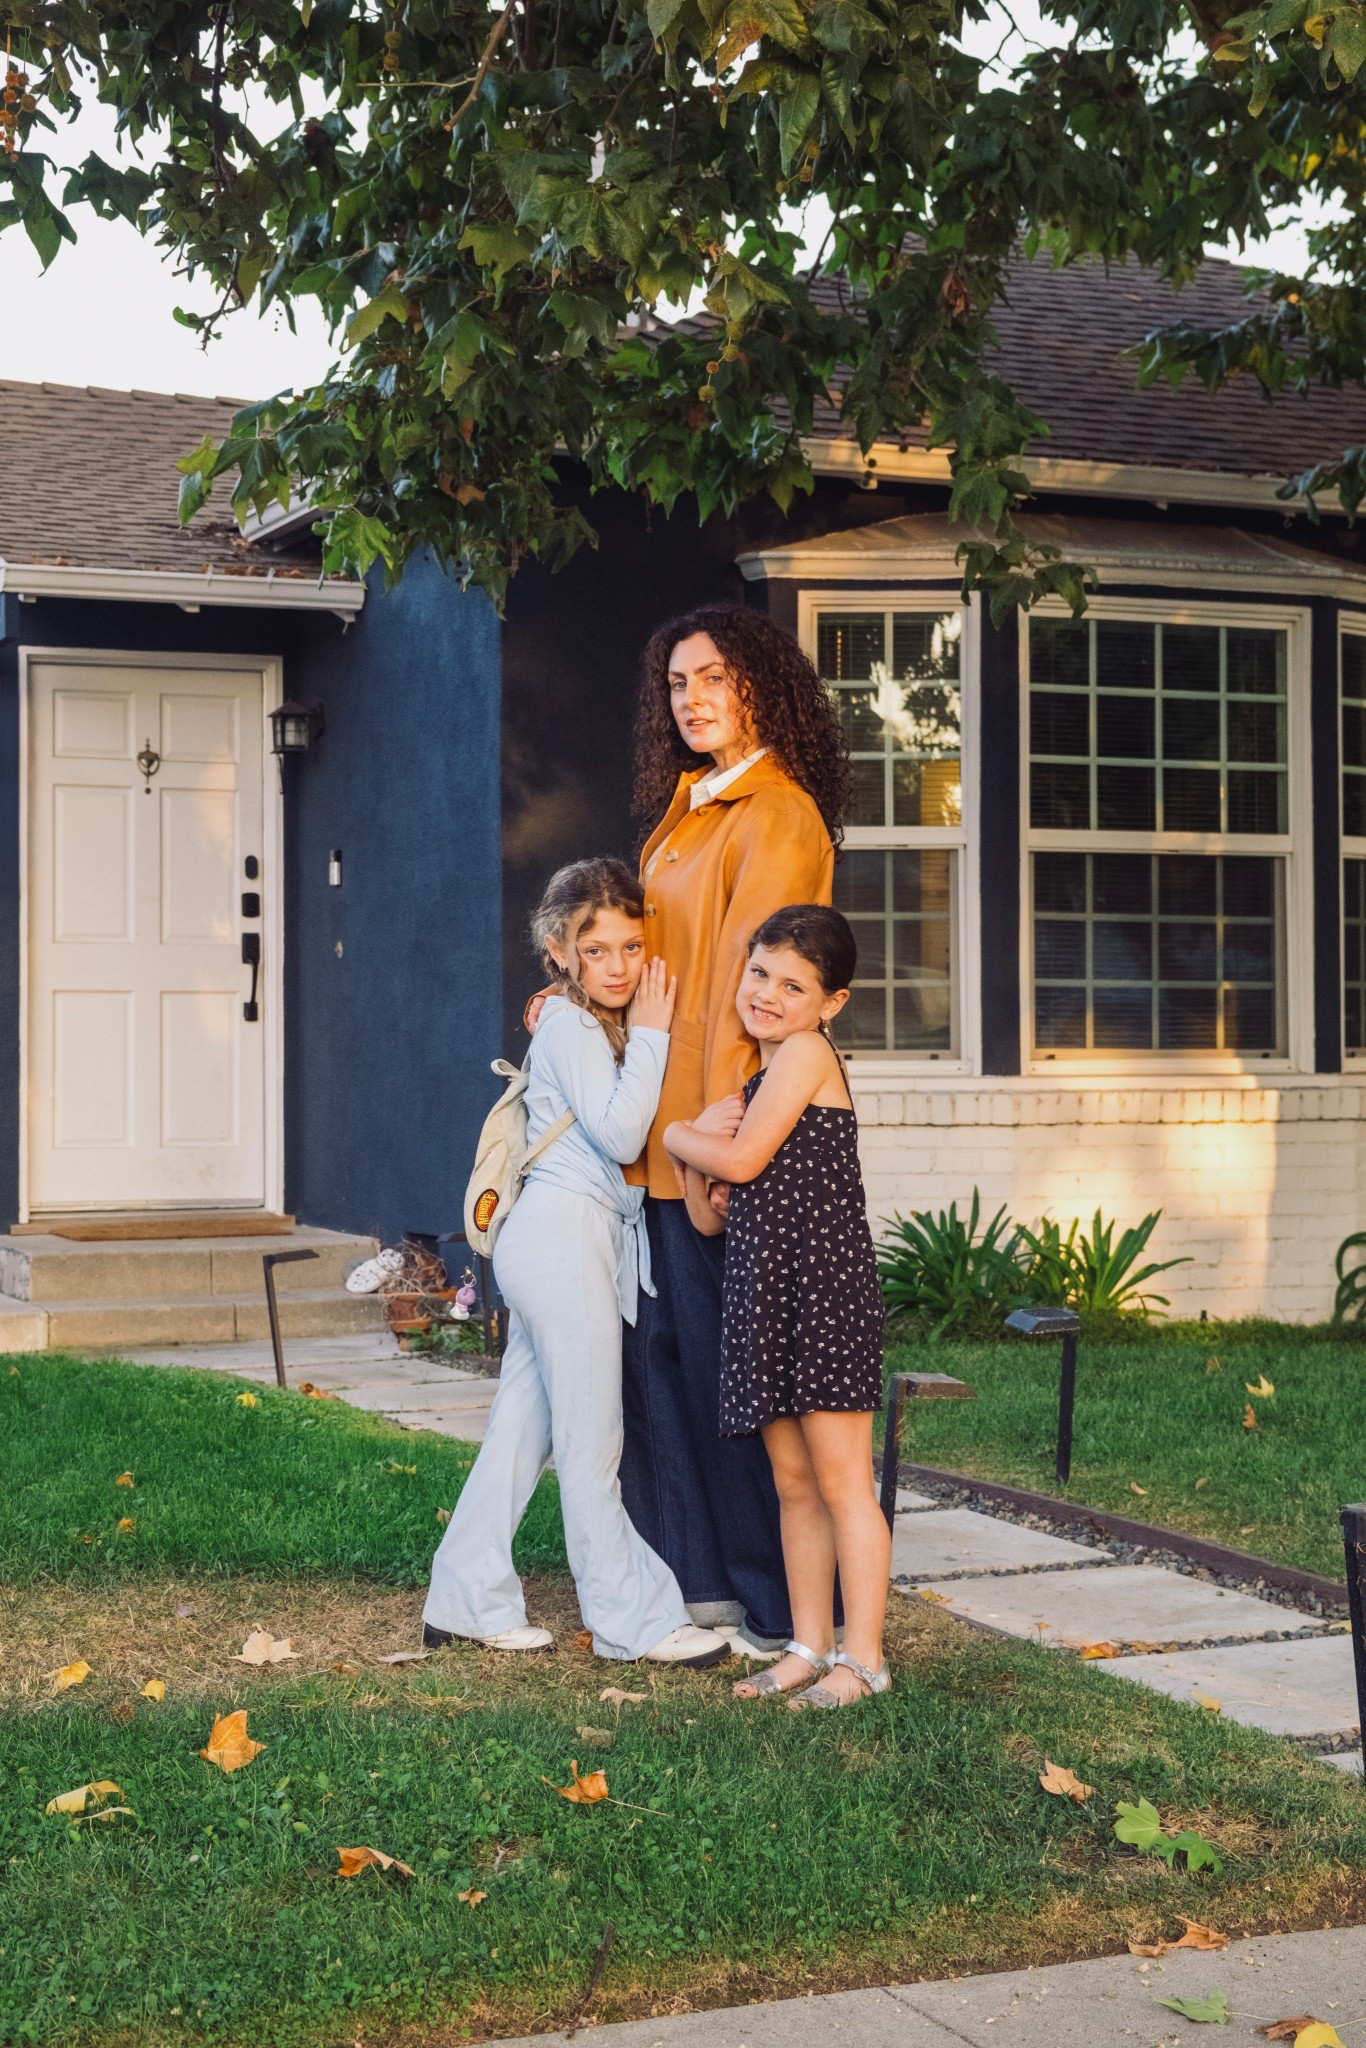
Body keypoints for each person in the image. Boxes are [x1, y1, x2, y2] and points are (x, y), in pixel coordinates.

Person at [423, 858, 729, 1668]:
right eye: (599, 951)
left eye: (633, 947)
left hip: (558, 1237)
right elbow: (622, 1134)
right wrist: (657, 1033)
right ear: (560, 950)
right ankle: (633, 1622)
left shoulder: (578, 1020)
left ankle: (464, 1597)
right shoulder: (569, 1025)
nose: (622, 967)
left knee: (522, 1434)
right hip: (562, 1238)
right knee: (594, 1443)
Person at [619, 605, 850, 1650]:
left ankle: (777, 1606)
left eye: (715, 676)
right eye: (677, 682)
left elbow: (755, 1004)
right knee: (666, 1368)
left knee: (737, 1385)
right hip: (654, 1137)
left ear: (761, 685)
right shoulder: (685, 813)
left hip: (715, 1148)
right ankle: (699, 1582)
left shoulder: (777, 815)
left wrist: (720, 1152)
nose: (694, 696)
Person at [663, 905, 890, 1709]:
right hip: (766, 1292)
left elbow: (743, 1156)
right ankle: (806, 1644)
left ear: (830, 1003)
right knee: (793, 1482)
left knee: (842, 1482)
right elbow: (709, 1215)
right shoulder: (758, 1084)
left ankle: (863, 1661)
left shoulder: (804, 1054)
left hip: (824, 1294)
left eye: (793, 985)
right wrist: (698, 1163)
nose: (766, 993)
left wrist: (679, 1139)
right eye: (759, 971)